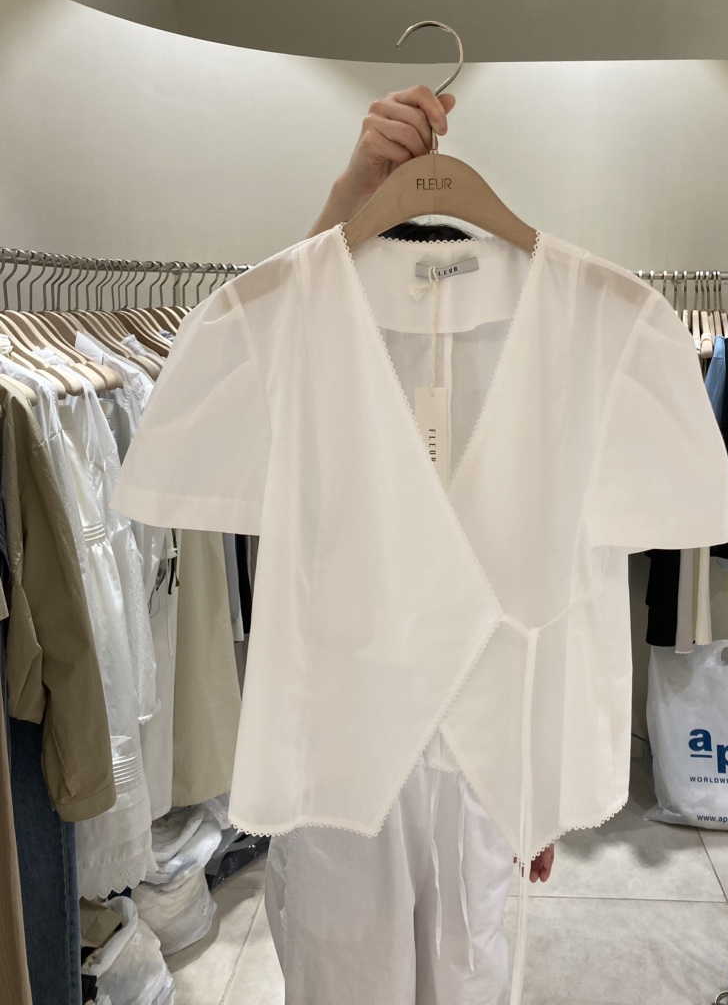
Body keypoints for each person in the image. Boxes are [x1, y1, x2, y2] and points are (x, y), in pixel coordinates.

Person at [263, 84, 554, 1005]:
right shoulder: (316, 321)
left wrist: (541, 773)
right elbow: (264, 359)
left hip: (475, 734)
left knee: (466, 968)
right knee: (346, 972)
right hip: (346, 730)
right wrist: (348, 198)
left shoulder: (550, 329)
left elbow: (561, 566)